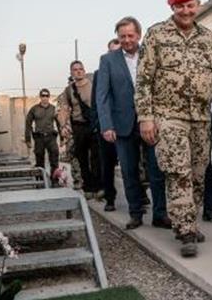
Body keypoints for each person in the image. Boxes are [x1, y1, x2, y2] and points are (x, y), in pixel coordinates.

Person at [136, 0, 212, 258]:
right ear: (172, 7)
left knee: (197, 173)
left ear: (198, 5)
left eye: (190, 5)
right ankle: (186, 230)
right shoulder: (156, 35)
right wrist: (146, 117)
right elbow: (143, 80)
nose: (186, 11)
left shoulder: (208, 39)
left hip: (201, 118)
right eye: (180, 6)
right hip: (168, 117)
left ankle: (188, 219)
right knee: (178, 171)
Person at [95, 17, 169, 230]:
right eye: (122, 36)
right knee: (129, 171)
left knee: (157, 170)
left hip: (151, 122)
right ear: (118, 37)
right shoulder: (108, 60)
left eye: (131, 35)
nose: (127, 40)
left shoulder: (152, 54)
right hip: (123, 124)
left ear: (139, 35)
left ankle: (160, 214)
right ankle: (135, 213)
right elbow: (103, 95)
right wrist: (106, 125)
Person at [57, 60, 101, 197]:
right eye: (75, 69)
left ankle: (97, 187)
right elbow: (64, 109)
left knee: (96, 157)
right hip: (78, 126)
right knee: (82, 158)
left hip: (94, 125)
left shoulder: (94, 85)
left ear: (84, 70)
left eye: (81, 69)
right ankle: (87, 188)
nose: (79, 71)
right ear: (71, 73)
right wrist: (63, 125)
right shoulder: (69, 90)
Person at [94, 38, 121, 210]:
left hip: (126, 124)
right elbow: (96, 100)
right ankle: (110, 198)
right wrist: (100, 124)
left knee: (132, 164)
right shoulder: (100, 73)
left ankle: (140, 196)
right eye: (113, 51)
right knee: (108, 164)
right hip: (107, 125)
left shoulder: (131, 69)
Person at [24, 88, 61, 175]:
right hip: (39, 138)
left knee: (54, 156)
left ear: (49, 97)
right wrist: (28, 139)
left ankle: (55, 178)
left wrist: (62, 138)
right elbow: (28, 124)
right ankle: (40, 179)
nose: (45, 98)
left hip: (51, 137)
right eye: (43, 96)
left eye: (47, 96)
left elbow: (59, 123)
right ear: (40, 97)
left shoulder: (53, 109)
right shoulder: (34, 109)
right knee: (39, 157)